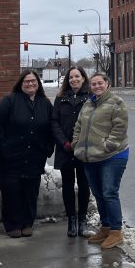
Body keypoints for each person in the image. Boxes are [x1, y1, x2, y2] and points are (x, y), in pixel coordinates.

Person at [0, 70, 55, 238]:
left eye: (33, 81)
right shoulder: (10, 101)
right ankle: (13, 225)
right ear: (20, 83)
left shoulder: (45, 103)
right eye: (26, 81)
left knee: (30, 192)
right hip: (10, 157)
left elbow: (52, 127)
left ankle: (27, 223)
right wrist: (2, 146)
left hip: (34, 156)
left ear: (38, 83)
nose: (30, 84)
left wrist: (47, 148)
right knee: (11, 191)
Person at [72, 72, 129, 250]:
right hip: (90, 157)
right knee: (98, 193)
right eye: (93, 84)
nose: (96, 86)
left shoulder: (116, 102)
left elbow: (120, 127)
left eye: (100, 83)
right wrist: (76, 144)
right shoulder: (88, 103)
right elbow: (78, 125)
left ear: (107, 84)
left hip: (112, 156)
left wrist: (108, 145)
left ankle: (116, 232)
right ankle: (105, 228)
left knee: (109, 192)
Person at [50, 66, 93, 237]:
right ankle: (71, 220)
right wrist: (64, 143)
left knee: (84, 184)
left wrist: (83, 142)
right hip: (65, 149)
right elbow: (54, 122)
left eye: (77, 76)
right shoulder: (61, 98)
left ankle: (82, 219)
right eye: (71, 77)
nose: (74, 80)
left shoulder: (90, 97)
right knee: (67, 185)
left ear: (83, 78)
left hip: (84, 149)